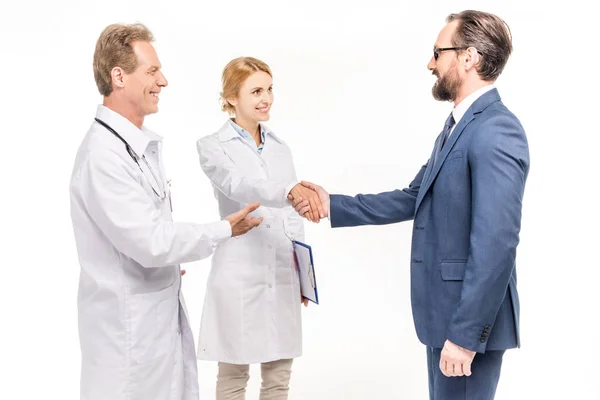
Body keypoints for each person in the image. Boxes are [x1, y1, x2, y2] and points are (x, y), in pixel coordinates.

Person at [291, 10, 529, 400]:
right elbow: (411, 197)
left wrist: (466, 336)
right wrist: (331, 204)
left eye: (438, 52)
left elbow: (497, 242)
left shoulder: (496, 129)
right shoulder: (458, 126)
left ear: (469, 57)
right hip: (446, 317)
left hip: (468, 326)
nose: (430, 63)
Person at [69, 23, 262, 400]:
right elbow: (151, 242)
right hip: (128, 341)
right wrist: (222, 229)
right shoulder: (103, 156)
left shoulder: (132, 146)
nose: (164, 81)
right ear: (119, 76)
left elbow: (142, 240)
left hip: (150, 329)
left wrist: (167, 262)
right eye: (152, 71)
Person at [195, 56, 322, 400]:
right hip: (239, 271)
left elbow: (294, 217)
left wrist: (303, 275)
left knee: (278, 377)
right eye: (255, 91)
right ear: (232, 97)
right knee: (234, 374)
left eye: (268, 89)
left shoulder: (281, 148)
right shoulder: (211, 146)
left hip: (281, 270)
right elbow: (238, 185)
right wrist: (286, 191)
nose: (266, 98)